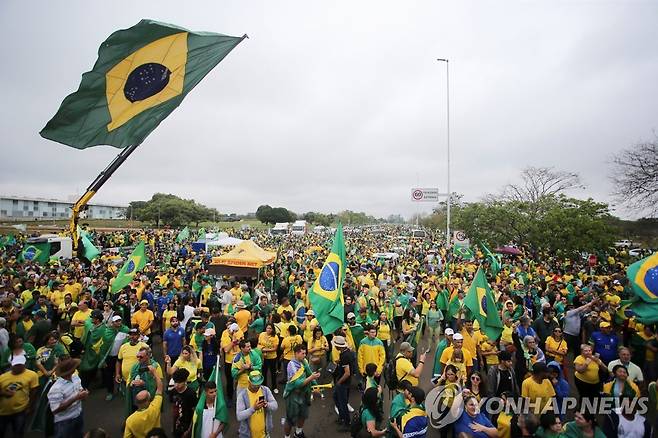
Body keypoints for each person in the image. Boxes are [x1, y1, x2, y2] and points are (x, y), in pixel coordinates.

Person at [283, 344, 320, 438]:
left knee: (303, 415)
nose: (304, 355)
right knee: (290, 419)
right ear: (296, 353)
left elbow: (309, 373)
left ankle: (298, 432)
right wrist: (311, 378)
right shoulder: (291, 365)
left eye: (305, 353)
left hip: (304, 394)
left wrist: (316, 386)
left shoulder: (304, 361)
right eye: (302, 353)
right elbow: (297, 384)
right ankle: (287, 436)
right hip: (293, 396)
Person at [47, 358, 88, 438]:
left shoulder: (76, 378)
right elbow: (55, 410)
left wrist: (83, 394)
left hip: (78, 414)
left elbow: (80, 390)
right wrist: (76, 398)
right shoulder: (56, 389)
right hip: (65, 421)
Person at [0, 355, 39, 438]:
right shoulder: (3, 377)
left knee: (18, 432)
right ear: (11, 364)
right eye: (16, 365)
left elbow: (34, 391)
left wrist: (30, 406)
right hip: (3, 411)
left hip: (20, 410)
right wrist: (4, 393)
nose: (18, 367)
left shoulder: (32, 375)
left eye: (20, 364)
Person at [124, 362, 164, 438]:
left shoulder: (130, 420)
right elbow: (159, 388)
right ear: (149, 401)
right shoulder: (155, 408)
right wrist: (155, 373)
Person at [236, 370, 278, 438]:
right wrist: (253, 408)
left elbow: (275, 406)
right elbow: (239, 416)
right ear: (249, 382)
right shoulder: (242, 395)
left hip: (265, 434)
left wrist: (267, 404)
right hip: (248, 435)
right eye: (254, 385)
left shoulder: (265, 390)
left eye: (259, 384)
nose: (257, 387)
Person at [331, 335, 354, 431]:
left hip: (343, 382)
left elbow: (347, 373)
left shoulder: (345, 356)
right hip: (343, 381)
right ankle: (342, 417)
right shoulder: (346, 353)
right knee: (336, 397)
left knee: (342, 402)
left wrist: (339, 382)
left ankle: (347, 422)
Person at [168, 368, 198, 438]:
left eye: (179, 382)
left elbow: (194, 413)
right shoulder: (173, 392)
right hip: (177, 424)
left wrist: (189, 430)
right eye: (175, 382)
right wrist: (173, 425)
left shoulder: (191, 394)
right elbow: (174, 408)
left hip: (187, 425)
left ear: (185, 381)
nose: (176, 385)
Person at [258, 323, 280, 392]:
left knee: (273, 373)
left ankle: (274, 387)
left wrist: (264, 349)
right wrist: (262, 350)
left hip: (272, 357)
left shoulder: (275, 337)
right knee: (264, 373)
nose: (269, 330)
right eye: (267, 328)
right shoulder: (262, 334)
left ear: (273, 329)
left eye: (270, 328)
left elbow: (275, 348)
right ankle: (264, 387)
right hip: (263, 358)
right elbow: (259, 344)